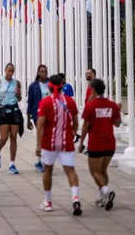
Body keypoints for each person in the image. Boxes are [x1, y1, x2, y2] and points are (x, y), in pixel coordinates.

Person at [36, 73, 82, 216]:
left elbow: (40, 124)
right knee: (71, 171)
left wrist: (38, 145)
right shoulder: (70, 101)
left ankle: (48, 202)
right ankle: (75, 198)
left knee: (47, 171)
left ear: (49, 87)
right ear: (62, 86)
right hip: (66, 142)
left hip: (49, 143)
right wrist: (73, 131)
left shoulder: (45, 102)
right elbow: (75, 120)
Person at [79, 78, 121, 210]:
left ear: (93, 90)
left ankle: (107, 192)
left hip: (96, 143)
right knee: (102, 171)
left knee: (94, 171)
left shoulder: (90, 106)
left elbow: (85, 126)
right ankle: (102, 198)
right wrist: (118, 110)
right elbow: (117, 123)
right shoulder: (112, 105)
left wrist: (81, 142)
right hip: (110, 144)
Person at [0, 62, 23, 174]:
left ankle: (12, 164)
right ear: (5, 70)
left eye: (12, 71)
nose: (10, 72)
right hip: (3, 110)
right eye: (9, 70)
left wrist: (18, 94)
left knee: (14, 136)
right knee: (4, 138)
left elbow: (19, 99)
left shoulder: (17, 83)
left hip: (14, 110)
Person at [27, 64, 49, 172]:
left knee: (46, 137)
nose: (43, 73)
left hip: (50, 115)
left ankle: (44, 160)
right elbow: (30, 103)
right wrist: (28, 119)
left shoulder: (51, 85)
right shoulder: (33, 86)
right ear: (38, 72)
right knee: (41, 136)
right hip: (38, 115)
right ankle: (40, 161)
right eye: (41, 71)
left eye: (45, 71)